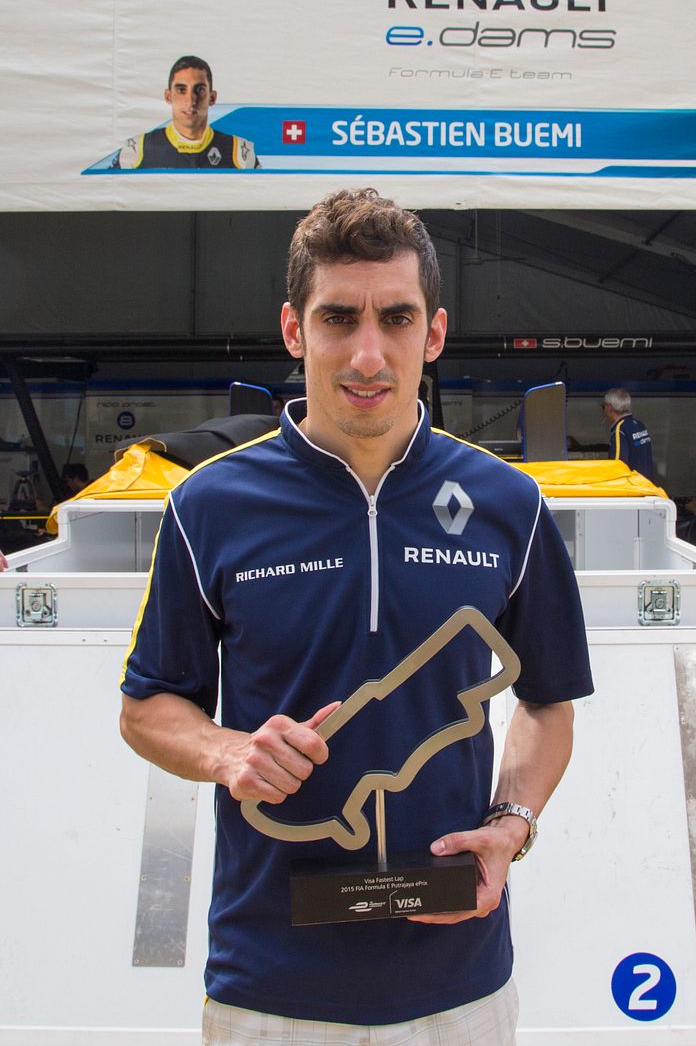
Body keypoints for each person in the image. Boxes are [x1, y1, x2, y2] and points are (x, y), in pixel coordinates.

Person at [120, 188, 593, 1046]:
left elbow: (549, 701)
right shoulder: (208, 506)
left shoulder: (508, 506)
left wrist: (511, 825)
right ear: (295, 330)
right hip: (270, 986)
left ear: (434, 333)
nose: (368, 353)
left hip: (460, 984)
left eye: (396, 318)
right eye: (339, 318)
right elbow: (148, 707)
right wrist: (231, 751)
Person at [112, 56, 260, 170]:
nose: (190, 101)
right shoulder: (136, 150)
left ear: (212, 97)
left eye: (199, 90)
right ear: (168, 96)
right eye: (181, 90)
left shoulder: (240, 153)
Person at [602, 387, 654, 480]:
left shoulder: (620, 430)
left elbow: (617, 466)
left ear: (610, 407)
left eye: (603, 406)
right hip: (646, 484)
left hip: (633, 487)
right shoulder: (639, 425)